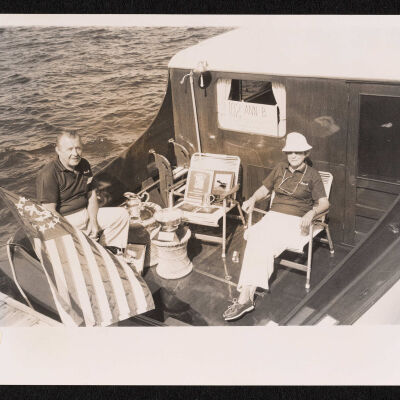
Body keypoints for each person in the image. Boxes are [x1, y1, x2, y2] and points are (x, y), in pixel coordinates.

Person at [223, 132, 330, 321]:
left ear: (306, 153)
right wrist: (253, 198)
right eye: (290, 152)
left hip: (295, 220)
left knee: (261, 240)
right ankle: (247, 296)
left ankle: (245, 297)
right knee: (256, 235)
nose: (293, 156)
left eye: (298, 152)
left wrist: (311, 212)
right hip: (273, 217)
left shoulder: (312, 175)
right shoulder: (280, 168)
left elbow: (324, 203)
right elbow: (264, 189)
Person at [36, 131, 130, 256]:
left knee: (121, 215)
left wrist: (93, 221)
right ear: (58, 150)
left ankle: (109, 253)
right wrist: (76, 234)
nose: (75, 153)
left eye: (78, 148)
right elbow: (50, 213)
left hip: (86, 213)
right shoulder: (48, 174)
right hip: (65, 221)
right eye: (70, 149)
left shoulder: (84, 164)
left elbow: (91, 195)